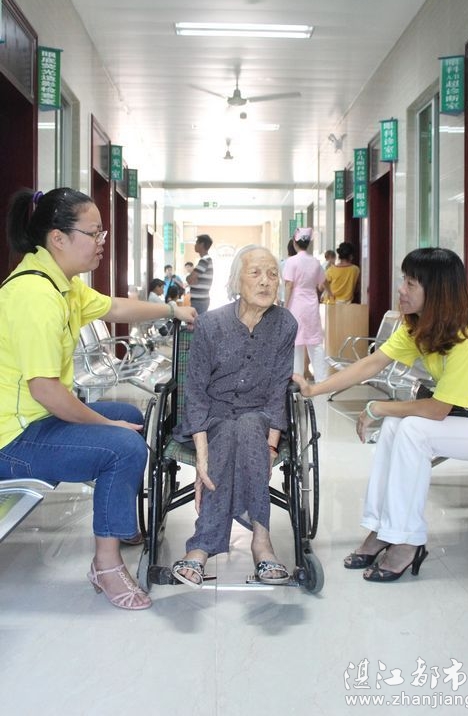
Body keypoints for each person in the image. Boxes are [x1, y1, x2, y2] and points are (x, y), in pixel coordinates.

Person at [0, 187, 196, 610]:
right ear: (58, 238)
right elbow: (45, 390)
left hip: (35, 420)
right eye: (94, 233)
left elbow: (115, 309)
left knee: (128, 414)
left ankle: (116, 518)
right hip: (12, 440)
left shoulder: (62, 285)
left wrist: (172, 310)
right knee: (123, 444)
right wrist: (106, 426)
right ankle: (105, 566)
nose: (101, 242)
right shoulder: (35, 297)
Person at [294, 247, 468, 583]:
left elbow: (437, 410)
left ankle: (407, 541)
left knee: (413, 430)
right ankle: (383, 529)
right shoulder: (422, 327)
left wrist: (376, 407)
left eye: (410, 283)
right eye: (403, 280)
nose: (401, 289)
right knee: (396, 425)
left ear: (437, 291)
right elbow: (372, 363)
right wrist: (314, 389)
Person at [170, 245, 298, 587]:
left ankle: (201, 548)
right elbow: (196, 391)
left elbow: (278, 390)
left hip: (259, 418)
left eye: (272, 274)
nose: (265, 281)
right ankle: (262, 543)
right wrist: (202, 456)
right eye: (255, 273)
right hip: (212, 420)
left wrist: (271, 447)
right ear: (236, 281)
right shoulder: (211, 324)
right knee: (229, 431)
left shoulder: (285, 324)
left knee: (247, 426)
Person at [283, 227, 327, 381]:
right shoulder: (315, 262)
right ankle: (322, 380)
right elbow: (322, 283)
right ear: (308, 244)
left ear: (295, 243)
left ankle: (298, 379)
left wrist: (285, 307)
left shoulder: (291, 261)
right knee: (315, 342)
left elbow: (289, 285)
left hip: (296, 303)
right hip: (311, 304)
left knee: (296, 343)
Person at [187, 234, 213, 314]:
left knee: (196, 322)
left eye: (196, 243)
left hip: (199, 301)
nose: (195, 245)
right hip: (200, 300)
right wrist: (191, 278)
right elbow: (192, 279)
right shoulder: (205, 260)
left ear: (201, 244)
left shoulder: (204, 260)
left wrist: (189, 277)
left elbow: (190, 279)